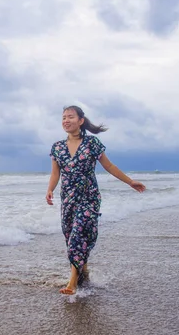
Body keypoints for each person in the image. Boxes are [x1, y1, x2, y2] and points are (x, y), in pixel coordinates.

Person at [46, 105, 146, 295]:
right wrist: (50, 189)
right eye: (63, 118)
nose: (66, 120)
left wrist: (130, 181)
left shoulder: (92, 143)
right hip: (68, 199)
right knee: (70, 238)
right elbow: (55, 173)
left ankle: (72, 284)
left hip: (89, 197)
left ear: (81, 121)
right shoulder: (57, 147)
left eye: (70, 117)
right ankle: (83, 271)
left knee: (78, 236)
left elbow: (109, 166)